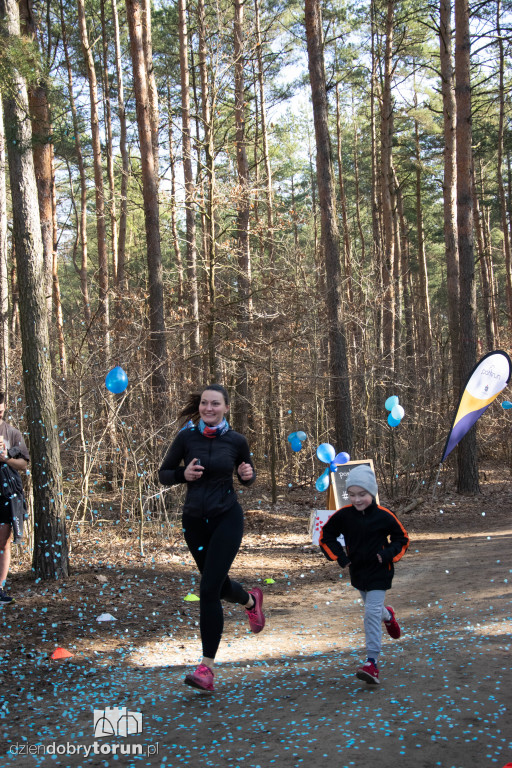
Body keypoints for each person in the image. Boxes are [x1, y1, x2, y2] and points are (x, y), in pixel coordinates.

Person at [159, 384, 264, 693]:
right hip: (194, 522)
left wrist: (247, 476)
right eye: (204, 403)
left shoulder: (237, 440)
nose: (208, 408)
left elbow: (247, 474)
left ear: (226, 407)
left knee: (208, 589)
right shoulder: (186, 437)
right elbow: (164, 473)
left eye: (215, 403)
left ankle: (206, 668)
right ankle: (250, 600)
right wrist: (182, 475)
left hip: (226, 518)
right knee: (215, 584)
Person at [319, 464, 409, 685]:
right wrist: (341, 557)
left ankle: (372, 663)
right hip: (358, 572)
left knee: (370, 613)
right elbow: (326, 535)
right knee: (374, 610)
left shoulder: (384, 516)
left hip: (380, 571)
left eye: (362, 494)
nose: (357, 500)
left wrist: (387, 554)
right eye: (352, 495)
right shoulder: (344, 516)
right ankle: (388, 615)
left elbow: (402, 539)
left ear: (372, 493)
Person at [0, 392, 29, 605]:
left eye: (1, 411)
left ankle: (0, 588)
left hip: (6, 494)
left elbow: (24, 464)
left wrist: (6, 458)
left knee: (3, 542)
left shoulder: (12, 433)